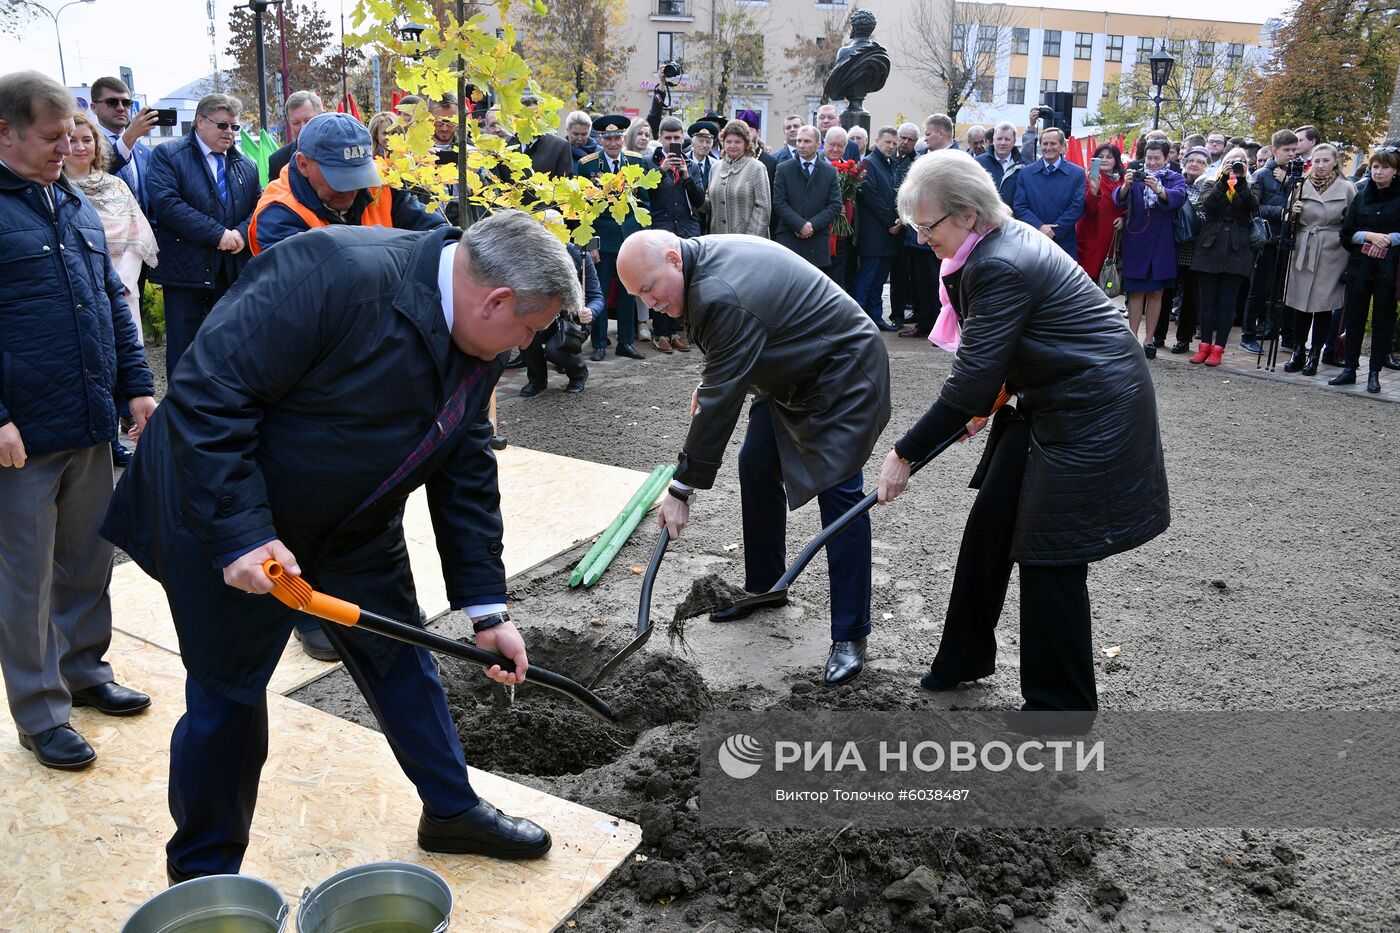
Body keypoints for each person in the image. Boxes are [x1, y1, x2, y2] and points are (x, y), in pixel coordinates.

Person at [101, 211, 578, 882]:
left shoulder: (480, 340)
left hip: (351, 522)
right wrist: (242, 531)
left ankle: (451, 808)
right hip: (230, 516)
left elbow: (464, 460)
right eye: (530, 329)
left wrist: (487, 608)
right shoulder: (333, 272)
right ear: (496, 300)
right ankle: (204, 874)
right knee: (229, 698)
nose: (528, 345)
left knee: (402, 657)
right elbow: (210, 393)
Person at [875, 150, 1169, 714]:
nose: (920, 238)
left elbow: (968, 382)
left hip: (1093, 411)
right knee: (991, 528)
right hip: (1045, 398)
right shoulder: (987, 244)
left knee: (1050, 555)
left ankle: (1061, 709)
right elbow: (1005, 356)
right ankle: (963, 658)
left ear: (966, 214)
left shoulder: (997, 262)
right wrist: (994, 398)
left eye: (927, 225)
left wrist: (904, 454)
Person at [616, 230, 891, 686]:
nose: (650, 302)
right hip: (790, 366)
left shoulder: (718, 293)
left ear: (672, 259)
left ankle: (850, 633)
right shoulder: (699, 267)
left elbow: (721, 402)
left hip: (841, 370)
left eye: (650, 289)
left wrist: (680, 489)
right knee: (756, 462)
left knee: (840, 494)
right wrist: (715, 383)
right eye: (638, 296)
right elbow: (727, 367)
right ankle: (765, 588)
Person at [0, 71, 157, 771]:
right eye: (51, 137)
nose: (68, 148)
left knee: (88, 557)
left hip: (90, 422)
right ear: (5, 131)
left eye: (73, 136)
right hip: (22, 437)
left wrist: (137, 386)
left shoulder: (70, 202)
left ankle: (85, 671)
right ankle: (40, 713)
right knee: (26, 579)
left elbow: (111, 306)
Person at [146, 92, 261, 379]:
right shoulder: (169, 155)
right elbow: (166, 203)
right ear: (200, 121)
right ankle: (180, 418)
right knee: (185, 350)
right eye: (223, 125)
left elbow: (258, 205)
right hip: (187, 272)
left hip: (231, 271)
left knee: (228, 347)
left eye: (235, 127)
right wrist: (217, 234)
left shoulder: (245, 164)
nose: (230, 133)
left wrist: (240, 233)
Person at [248, 112, 447, 257]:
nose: (351, 190)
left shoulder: (381, 184)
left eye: (358, 176)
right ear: (303, 164)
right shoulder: (278, 212)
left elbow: (437, 232)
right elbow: (315, 284)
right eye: (339, 178)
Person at [63, 111, 159, 359]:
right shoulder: (53, 190)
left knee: (128, 362)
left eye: (87, 139)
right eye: (72, 140)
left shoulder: (117, 186)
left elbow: (139, 235)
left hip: (123, 290)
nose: (80, 147)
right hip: (79, 293)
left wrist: (120, 281)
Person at [575, 114, 651, 361]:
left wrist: (640, 239)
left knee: (629, 293)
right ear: (600, 138)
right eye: (608, 138)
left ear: (623, 138)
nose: (613, 143)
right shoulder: (588, 165)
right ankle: (599, 343)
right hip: (602, 241)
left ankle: (626, 342)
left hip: (628, 239)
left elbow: (644, 204)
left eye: (617, 137)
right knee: (601, 292)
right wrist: (591, 244)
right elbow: (583, 209)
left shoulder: (635, 162)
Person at [1330, 146, 1400, 393]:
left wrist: (1390, 238)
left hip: (1388, 268)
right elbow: (1347, 233)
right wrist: (1370, 236)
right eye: (1376, 167)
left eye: (1385, 167)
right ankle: (1349, 368)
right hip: (1360, 265)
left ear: (1395, 170)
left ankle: (1374, 372)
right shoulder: (1361, 193)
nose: (1379, 172)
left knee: (1383, 320)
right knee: (1354, 317)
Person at [1280, 144, 1354, 376]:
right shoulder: (1301, 185)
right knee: (1300, 303)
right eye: (1317, 161)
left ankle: (1315, 354)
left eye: (1325, 161)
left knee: (1323, 305)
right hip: (1304, 247)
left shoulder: (1347, 188)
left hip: (1332, 250)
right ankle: (1298, 351)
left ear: (1334, 162)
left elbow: (1354, 222)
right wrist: (1293, 213)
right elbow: (1287, 216)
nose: (1320, 166)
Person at [1114, 139, 1187, 357]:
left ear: (1166, 158)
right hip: (1136, 239)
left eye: (1157, 158)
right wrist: (1126, 185)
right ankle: (1132, 337)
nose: (1153, 162)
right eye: (1149, 158)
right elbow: (1117, 199)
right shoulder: (1134, 174)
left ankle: (1149, 340)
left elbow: (1179, 198)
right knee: (1135, 291)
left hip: (1162, 241)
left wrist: (1159, 189)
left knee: (1156, 291)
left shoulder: (1175, 178)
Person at [1189, 151, 1258, 366]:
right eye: (1230, 162)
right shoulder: (1211, 182)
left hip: (1237, 251)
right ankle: (1204, 346)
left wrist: (1241, 182)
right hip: (1210, 249)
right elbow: (1208, 205)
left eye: (1240, 163)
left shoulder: (1252, 186)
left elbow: (1252, 207)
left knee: (1227, 304)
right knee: (1207, 301)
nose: (1234, 166)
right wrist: (1223, 181)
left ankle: (1219, 348)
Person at [644, 116, 704, 352]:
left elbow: (700, 201)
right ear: (659, 139)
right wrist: (661, 172)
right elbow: (648, 196)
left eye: (676, 138)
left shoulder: (693, 165)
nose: (672, 142)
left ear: (683, 139)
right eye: (667, 138)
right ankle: (661, 333)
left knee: (685, 283)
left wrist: (686, 176)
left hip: (687, 231)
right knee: (662, 283)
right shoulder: (650, 164)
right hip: (662, 230)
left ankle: (678, 331)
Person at [1242, 130, 1301, 353]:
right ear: (1275, 150)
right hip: (1265, 239)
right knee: (1258, 289)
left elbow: (1299, 198)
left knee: (1278, 291)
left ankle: (1273, 329)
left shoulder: (1293, 175)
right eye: (1287, 150)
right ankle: (1248, 334)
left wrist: (1288, 183)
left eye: (1294, 150)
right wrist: (1282, 211)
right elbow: (1255, 207)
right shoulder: (1260, 175)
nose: (1292, 154)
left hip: (1285, 239)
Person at [773, 125, 842, 275]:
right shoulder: (784, 169)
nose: (801, 145)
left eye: (807, 141)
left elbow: (835, 205)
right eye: (799, 141)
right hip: (789, 237)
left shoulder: (829, 172)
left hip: (816, 240)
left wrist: (811, 225)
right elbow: (779, 202)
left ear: (818, 144)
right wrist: (799, 224)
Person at [852, 126, 902, 331]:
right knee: (867, 279)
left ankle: (875, 318)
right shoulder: (868, 163)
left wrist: (899, 219)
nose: (891, 146)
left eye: (894, 143)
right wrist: (892, 221)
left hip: (888, 235)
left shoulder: (890, 164)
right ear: (877, 141)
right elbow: (871, 196)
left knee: (879, 281)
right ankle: (859, 321)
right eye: (887, 142)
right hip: (874, 234)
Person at [88, 74, 157, 214]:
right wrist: (128, 138)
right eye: (112, 102)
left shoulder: (144, 151)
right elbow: (93, 181)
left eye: (126, 103)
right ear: (94, 107)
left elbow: (150, 200)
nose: (120, 108)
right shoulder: (86, 146)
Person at [1013, 127, 1086, 259]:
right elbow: (1020, 206)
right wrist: (1039, 227)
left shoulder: (1077, 173)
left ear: (1063, 146)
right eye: (1045, 144)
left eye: (1053, 143)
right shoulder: (1026, 173)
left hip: (1064, 244)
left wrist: (1054, 231)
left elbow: (1077, 207)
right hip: (1033, 241)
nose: (1048, 147)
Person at [1168, 146, 1210, 354]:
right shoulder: (1175, 181)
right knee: (1166, 292)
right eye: (1191, 160)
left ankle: (1183, 338)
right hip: (1171, 245)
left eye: (1200, 162)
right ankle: (1157, 336)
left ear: (1207, 166)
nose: (1194, 164)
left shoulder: (1208, 186)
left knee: (1190, 296)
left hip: (1195, 249)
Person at [706, 120, 770, 237]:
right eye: (728, 141)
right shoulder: (715, 167)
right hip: (718, 241)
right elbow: (708, 202)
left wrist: (750, 238)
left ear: (746, 143)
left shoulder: (757, 167)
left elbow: (763, 208)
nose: (732, 146)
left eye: (737, 142)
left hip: (748, 242)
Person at [1075, 142, 1125, 284]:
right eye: (1100, 157)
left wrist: (1124, 218)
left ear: (1116, 159)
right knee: (1087, 277)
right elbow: (1087, 207)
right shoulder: (1089, 178)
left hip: (1112, 236)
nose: (1104, 160)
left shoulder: (1123, 180)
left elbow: (1129, 204)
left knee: (1107, 278)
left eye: (1109, 157)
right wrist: (1094, 190)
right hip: (1091, 233)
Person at [822, 125, 857, 291]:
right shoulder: (817, 164)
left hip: (843, 233)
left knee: (838, 278)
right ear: (824, 143)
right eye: (832, 144)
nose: (836, 149)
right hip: (821, 233)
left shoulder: (852, 169)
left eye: (840, 145)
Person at [266, 90, 325, 182]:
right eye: (296, 123)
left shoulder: (339, 150)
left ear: (322, 117)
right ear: (289, 123)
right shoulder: (278, 161)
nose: (303, 128)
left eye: (308, 120)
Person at [975, 121, 1024, 208]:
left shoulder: (1023, 166)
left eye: (1007, 139)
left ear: (1014, 142)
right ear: (993, 140)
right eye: (999, 139)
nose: (1003, 143)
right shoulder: (978, 163)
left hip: (1014, 218)